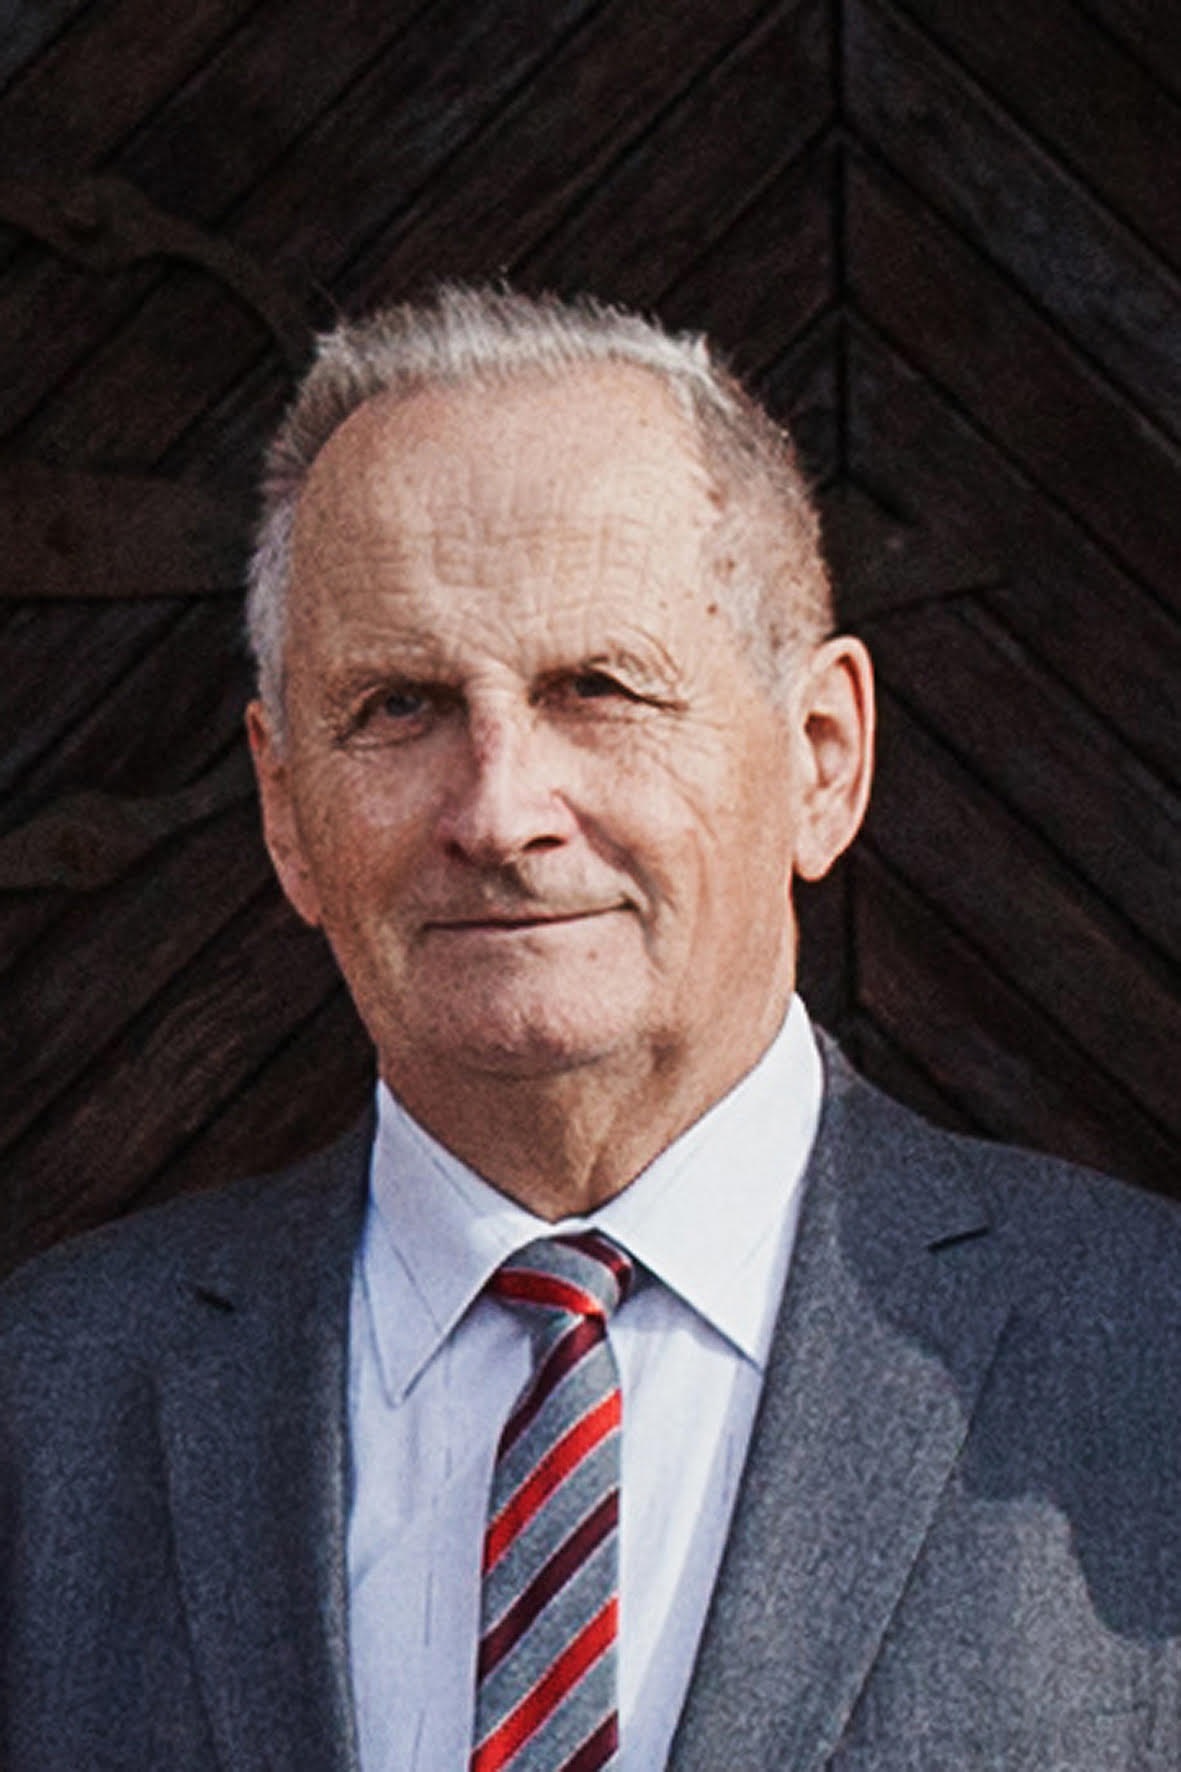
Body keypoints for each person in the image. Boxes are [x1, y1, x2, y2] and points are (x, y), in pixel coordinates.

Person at [2, 285, 1179, 1772]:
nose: (499, 812)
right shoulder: (47, 1409)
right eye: (399, 706)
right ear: (283, 809)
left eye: (599, 688)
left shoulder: (1150, 1362)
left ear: (821, 759)